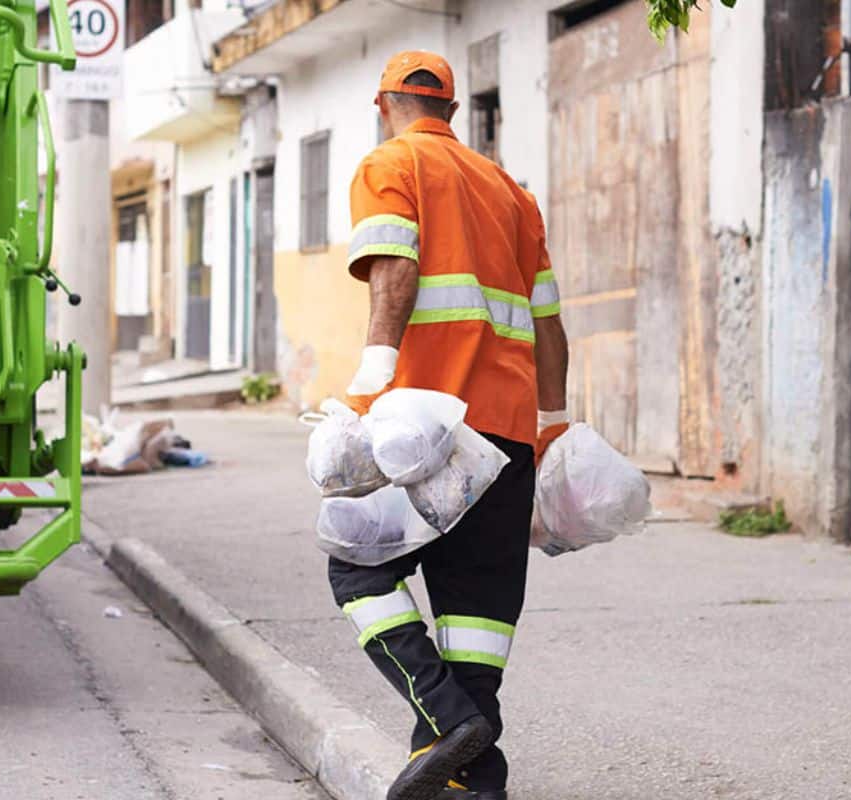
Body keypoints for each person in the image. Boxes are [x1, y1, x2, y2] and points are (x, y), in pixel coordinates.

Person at [330, 51, 570, 800]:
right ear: (454, 111)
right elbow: (549, 324)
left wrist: (371, 377)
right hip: (507, 434)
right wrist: (553, 426)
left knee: (356, 566)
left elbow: (394, 269)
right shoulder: (512, 193)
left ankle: (447, 718)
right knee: (477, 611)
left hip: (422, 430)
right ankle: (474, 777)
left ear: (383, 105)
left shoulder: (390, 163)